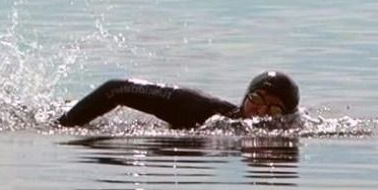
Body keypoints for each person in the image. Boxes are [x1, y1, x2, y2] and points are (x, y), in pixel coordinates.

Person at [57, 70, 300, 129]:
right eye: (256, 99)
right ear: (245, 98)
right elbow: (115, 89)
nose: (260, 112)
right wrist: (65, 125)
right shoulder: (199, 110)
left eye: (273, 109)